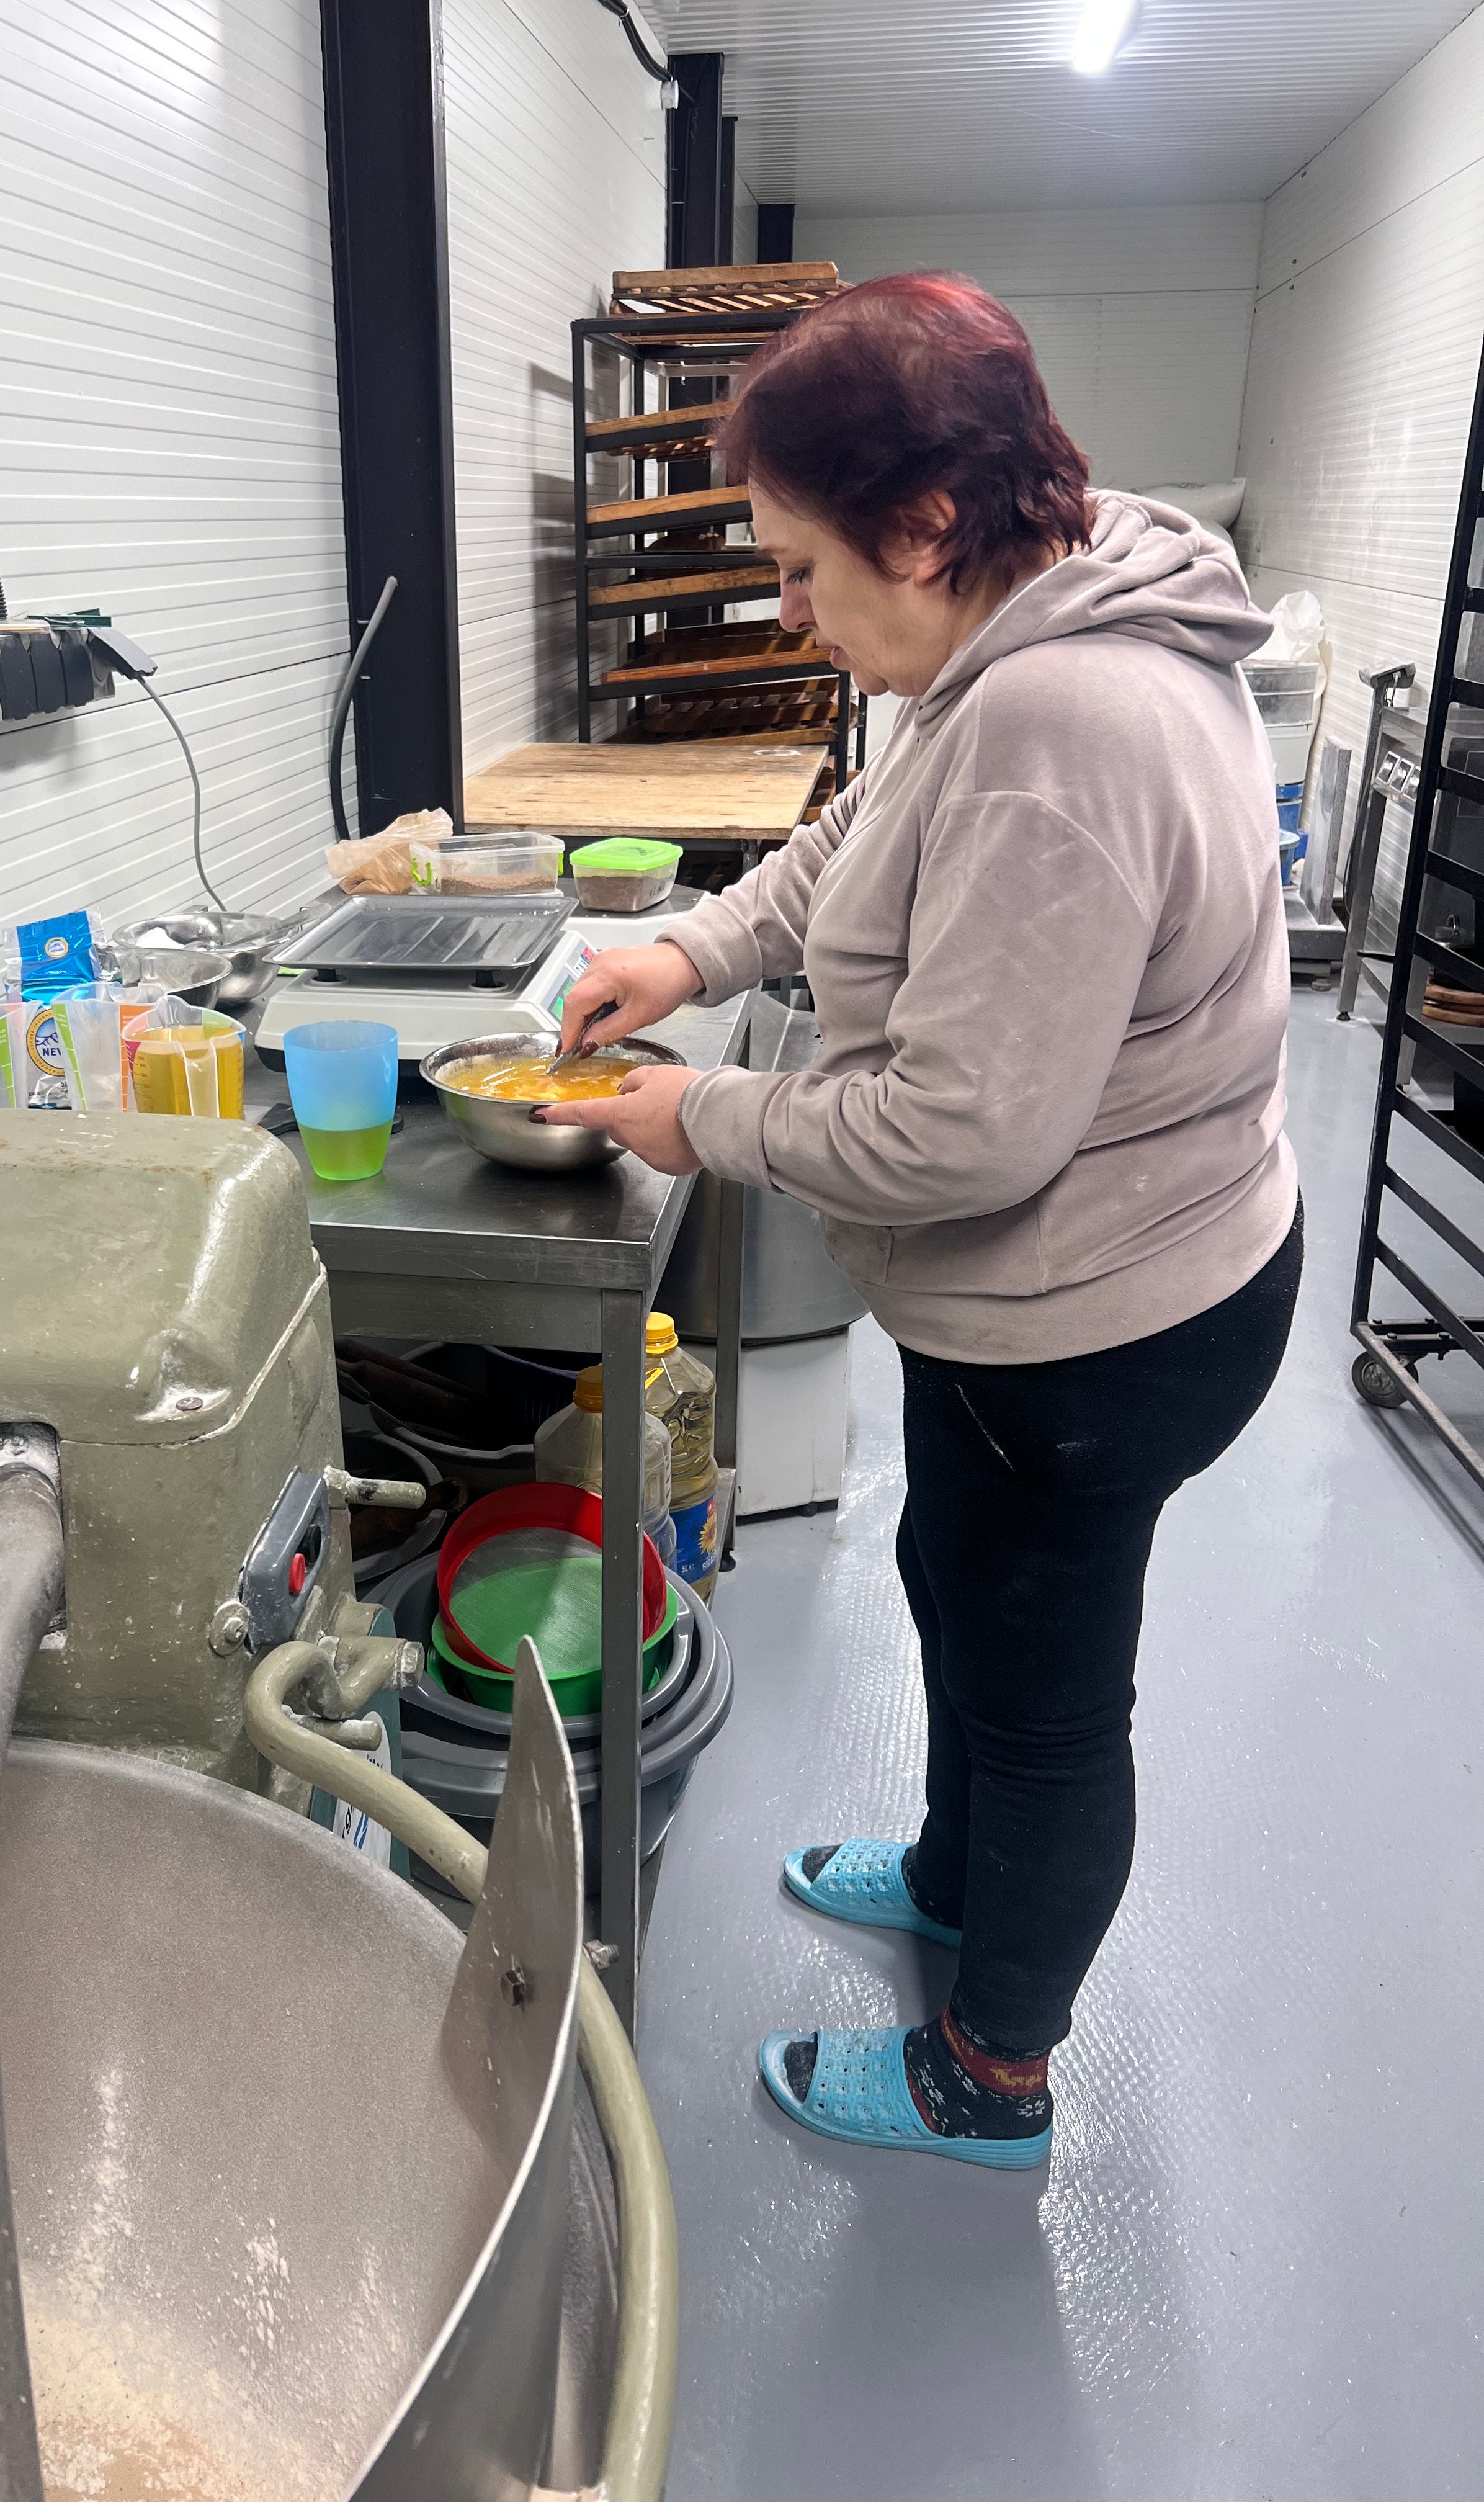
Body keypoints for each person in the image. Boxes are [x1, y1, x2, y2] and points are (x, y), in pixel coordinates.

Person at [541, 273, 1300, 2171]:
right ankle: (958, 1876)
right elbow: (858, 843)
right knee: (952, 1575)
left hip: (1106, 1322)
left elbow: (965, 1133)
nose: (794, 614)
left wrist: (702, 1118)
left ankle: (994, 2075)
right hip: (1046, 1306)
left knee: (1046, 1697)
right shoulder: (1030, 607)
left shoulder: (1064, 719)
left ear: (926, 520)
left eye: (804, 567)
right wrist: (691, 951)